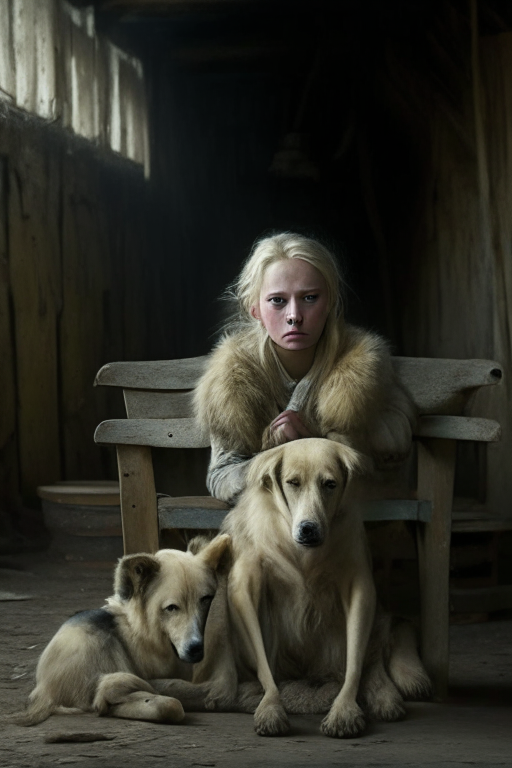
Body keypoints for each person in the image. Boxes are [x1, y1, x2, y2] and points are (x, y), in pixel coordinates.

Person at [194, 232, 415, 504]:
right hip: (268, 531)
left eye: (309, 298)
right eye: (278, 300)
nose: (294, 316)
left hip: (359, 523)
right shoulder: (232, 381)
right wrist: (277, 456)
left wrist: (317, 445)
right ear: (255, 310)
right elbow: (220, 477)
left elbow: (392, 453)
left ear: (330, 303)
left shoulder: (362, 367)